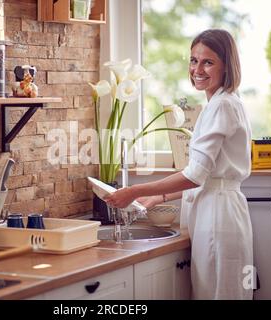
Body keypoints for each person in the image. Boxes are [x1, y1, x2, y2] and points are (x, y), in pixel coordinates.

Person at [104, 29, 253, 300]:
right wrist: (157, 197)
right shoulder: (222, 103)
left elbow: (195, 176)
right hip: (219, 211)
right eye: (194, 60)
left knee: (219, 294)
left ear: (226, 66)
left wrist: (136, 191)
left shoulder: (222, 106)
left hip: (218, 216)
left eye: (208, 62)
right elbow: (204, 176)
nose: (198, 69)